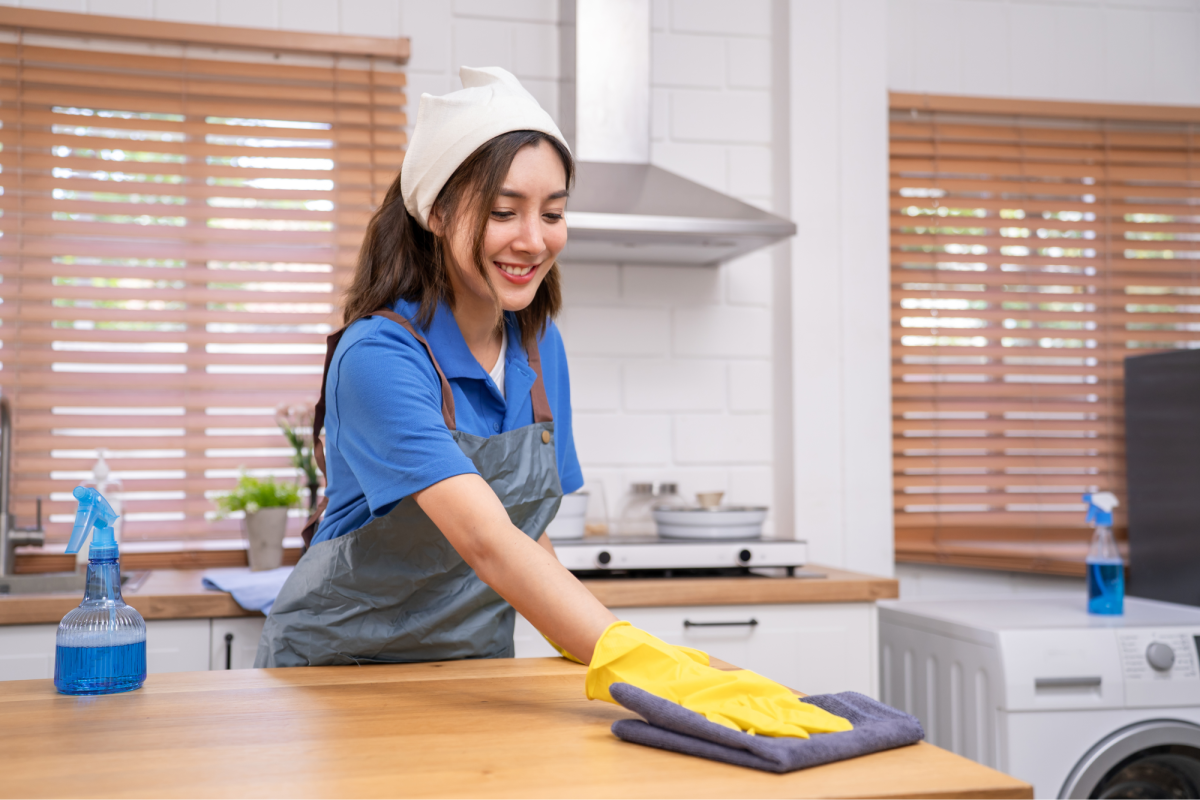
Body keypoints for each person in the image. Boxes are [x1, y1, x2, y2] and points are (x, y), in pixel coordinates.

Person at [254, 68, 851, 740]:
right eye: (504, 212)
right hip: (338, 681)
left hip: (475, 681)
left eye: (554, 212)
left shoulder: (539, 350)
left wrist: (694, 672)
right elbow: (486, 541)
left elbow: (525, 536)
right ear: (438, 213)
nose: (533, 240)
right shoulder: (380, 359)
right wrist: (651, 670)